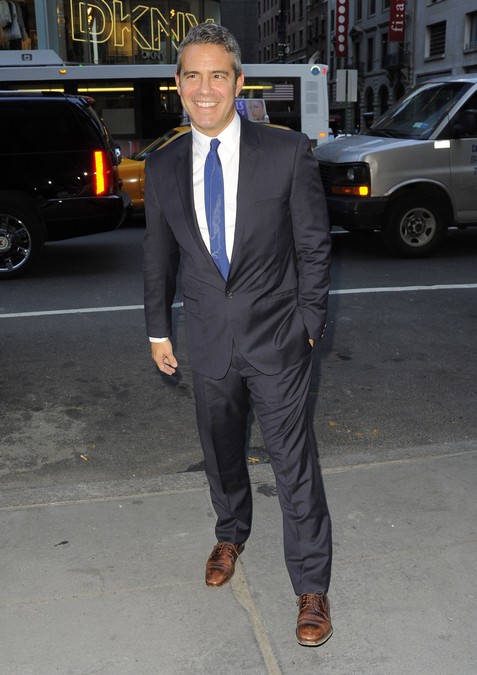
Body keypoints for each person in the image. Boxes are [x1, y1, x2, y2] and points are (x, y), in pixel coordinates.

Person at [143, 22, 333, 647]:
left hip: (279, 339)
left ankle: (311, 587)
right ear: (178, 84)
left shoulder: (286, 151)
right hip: (207, 340)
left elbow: (313, 246)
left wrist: (309, 326)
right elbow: (158, 257)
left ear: (238, 82)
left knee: (293, 465)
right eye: (193, 76)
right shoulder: (163, 164)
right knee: (221, 453)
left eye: (218, 76)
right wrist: (158, 331)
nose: (206, 89)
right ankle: (231, 534)